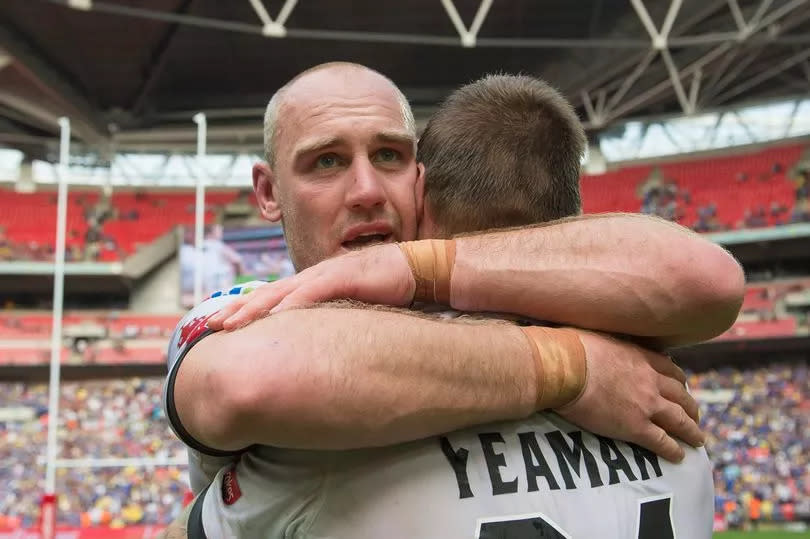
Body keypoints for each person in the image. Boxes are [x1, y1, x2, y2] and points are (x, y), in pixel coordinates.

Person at [161, 64, 743, 537]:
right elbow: (249, 380)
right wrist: (571, 365)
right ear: (268, 193)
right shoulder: (643, 367)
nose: (366, 191)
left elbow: (711, 279)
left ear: (422, 179)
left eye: (388, 156)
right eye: (327, 162)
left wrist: (414, 265)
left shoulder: (329, 451)